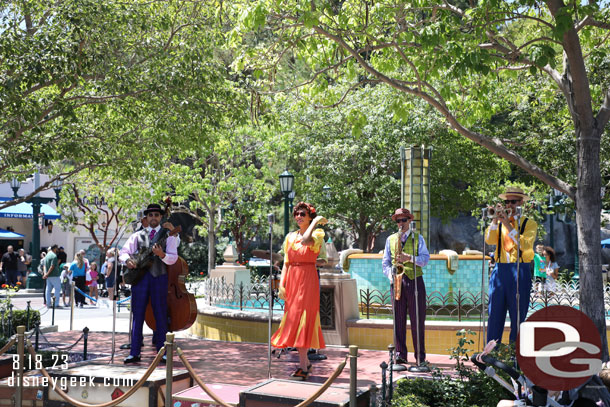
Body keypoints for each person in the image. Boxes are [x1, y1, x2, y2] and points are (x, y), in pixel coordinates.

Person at [271, 202, 327, 380]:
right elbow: (287, 262)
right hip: (293, 278)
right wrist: (282, 284)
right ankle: (306, 364)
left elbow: (305, 241)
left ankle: (303, 365)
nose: (298, 217)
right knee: (294, 318)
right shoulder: (289, 237)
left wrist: (316, 222)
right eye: (296, 214)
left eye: (302, 214)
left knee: (303, 319)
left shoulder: (317, 233)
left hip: (307, 278)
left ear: (310, 216)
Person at [119, 203, 178, 364]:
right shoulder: (137, 235)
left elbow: (173, 258)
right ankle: (134, 352)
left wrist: (162, 254)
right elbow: (123, 252)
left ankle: (163, 352)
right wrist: (128, 260)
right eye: (150, 215)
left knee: (160, 314)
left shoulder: (169, 235)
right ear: (146, 218)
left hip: (159, 277)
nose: (153, 218)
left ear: (161, 217)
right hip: (140, 279)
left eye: (157, 215)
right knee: (138, 315)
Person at [485, 186, 537, 343]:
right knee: (494, 314)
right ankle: (492, 353)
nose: (509, 205)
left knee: (518, 316)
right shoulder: (500, 224)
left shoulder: (530, 223)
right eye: (507, 202)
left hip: (519, 270)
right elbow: (489, 240)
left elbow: (526, 245)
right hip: (500, 270)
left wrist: (508, 224)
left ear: (521, 202)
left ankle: (516, 356)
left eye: (513, 202)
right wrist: (495, 220)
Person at [382, 208, 430, 366]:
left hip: (414, 280)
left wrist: (409, 258)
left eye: (404, 220)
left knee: (417, 320)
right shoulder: (390, 239)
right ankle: (400, 355)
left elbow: (425, 259)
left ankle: (420, 357)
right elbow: (385, 263)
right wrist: (391, 276)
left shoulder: (418, 238)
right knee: (398, 320)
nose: (401, 223)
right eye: (398, 221)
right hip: (397, 281)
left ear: (410, 221)